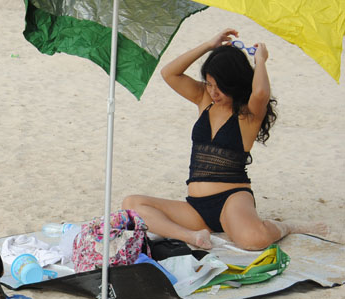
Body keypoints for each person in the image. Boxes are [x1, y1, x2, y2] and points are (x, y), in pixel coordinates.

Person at [122, 28, 327, 251]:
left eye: (219, 86)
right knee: (132, 204)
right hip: (196, 209)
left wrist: (260, 61)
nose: (213, 91)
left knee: (253, 240)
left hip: (232, 199)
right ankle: (192, 236)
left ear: (234, 84)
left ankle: (284, 227)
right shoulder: (204, 99)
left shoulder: (248, 114)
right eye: (209, 83)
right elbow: (169, 73)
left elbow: (260, 93)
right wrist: (209, 45)